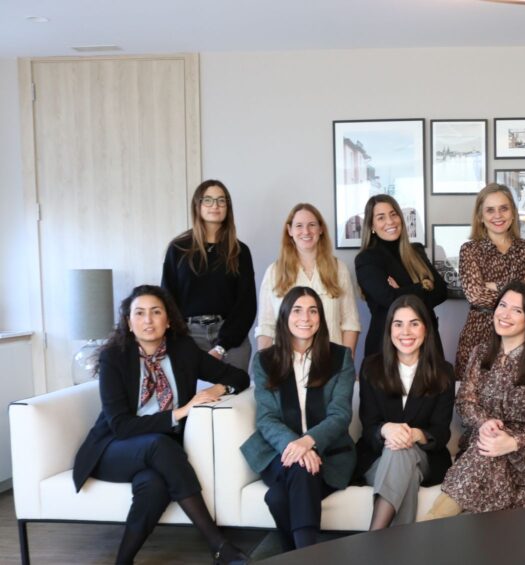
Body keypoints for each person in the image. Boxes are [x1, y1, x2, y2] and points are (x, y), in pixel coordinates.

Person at [72, 285, 250, 565]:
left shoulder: (183, 350)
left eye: (156, 312)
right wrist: (180, 412)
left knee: (153, 485)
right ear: (129, 322)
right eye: (139, 313)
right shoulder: (114, 357)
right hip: (113, 449)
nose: (148, 320)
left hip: (161, 453)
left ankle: (123, 561)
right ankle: (218, 545)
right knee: (159, 444)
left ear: (168, 320)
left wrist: (218, 389)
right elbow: (120, 426)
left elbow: (239, 377)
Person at [423, 282, 525, 519]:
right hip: (479, 446)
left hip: (521, 460)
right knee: (485, 450)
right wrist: (485, 423)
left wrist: (512, 442)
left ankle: (426, 528)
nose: (505, 314)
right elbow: (464, 402)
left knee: (486, 454)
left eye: (517, 310)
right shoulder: (480, 353)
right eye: (502, 305)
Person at [241, 287, 356, 551]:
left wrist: (308, 442)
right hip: (279, 452)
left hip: (329, 453)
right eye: (297, 310)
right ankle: (309, 557)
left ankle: (296, 555)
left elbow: (340, 415)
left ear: (320, 318)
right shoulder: (266, 360)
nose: (305, 318)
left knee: (278, 498)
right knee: (301, 469)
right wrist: (296, 446)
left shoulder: (340, 357)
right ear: (285, 316)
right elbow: (267, 418)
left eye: (312, 311)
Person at [355, 295, 455, 529]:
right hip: (378, 458)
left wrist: (417, 434)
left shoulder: (443, 372)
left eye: (414, 323)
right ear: (389, 330)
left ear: (426, 329)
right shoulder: (371, 367)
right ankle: (392, 545)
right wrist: (386, 430)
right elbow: (368, 426)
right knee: (400, 458)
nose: (405, 332)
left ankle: (374, 537)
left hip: (425, 458)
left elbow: (441, 432)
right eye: (398, 324)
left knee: (402, 452)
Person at [162, 180, 256, 371]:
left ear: (228, 207)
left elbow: (246, 304)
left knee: (233, 389)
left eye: (221, 200)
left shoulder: (240, 251)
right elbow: (167, 299)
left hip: (231, 338)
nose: (215, 205)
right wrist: (180, 338)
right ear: (197, 205)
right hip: (188, 336)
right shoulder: (178, 249)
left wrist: (222, 346)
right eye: (208, 200)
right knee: (190, 391)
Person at [456, 183, 525, 380]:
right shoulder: (470, 250)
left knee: (519, 393)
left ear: (513, 213)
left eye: (504, 208)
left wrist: (494, 285)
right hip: (479, 335)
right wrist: (521, 284)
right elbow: (476, 295)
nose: (498, 215)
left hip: (521, 336)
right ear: (480, 216)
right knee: (474, 392)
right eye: (490, 210)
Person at [256, 203, 360, 353]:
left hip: (330, 360)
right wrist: (264, 364)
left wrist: (345, 363)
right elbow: (266, 327)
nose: (306, 231)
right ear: (289, 230)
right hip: (286, 362)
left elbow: (350, 323)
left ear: (321, 229)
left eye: (312, 225)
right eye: (299, 225)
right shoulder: (274, 272)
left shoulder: (338, 269)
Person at [355, 195, 447, 358]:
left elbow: (441, 291)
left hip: (426, 344)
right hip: (386, 347)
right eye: (381, 217)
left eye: (393, 214)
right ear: (372, 225)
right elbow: (389, 299)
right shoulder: (367, 259)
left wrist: (401, 291)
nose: (390, 221)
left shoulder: (416, 251)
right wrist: (423, 285)